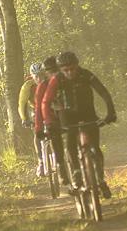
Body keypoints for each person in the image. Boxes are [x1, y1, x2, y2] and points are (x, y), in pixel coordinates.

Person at [42, 51, 116, 197]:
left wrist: (110, 113)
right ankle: (76, 174)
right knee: (70, 143)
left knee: (95, 148)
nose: (70, 73)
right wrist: (50, 122)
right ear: (60, 70)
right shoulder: (56, 79)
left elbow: (104, 92)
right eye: (65, 70)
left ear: (77, 66)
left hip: (88, 114)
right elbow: (45, 102)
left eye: (72, 69)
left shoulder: (86, 74)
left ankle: (100, 180)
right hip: (67, 116)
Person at [33, 56, 69, 186]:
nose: (53, 73)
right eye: (49, 71)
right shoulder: (42, 86)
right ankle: (61, 165)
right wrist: (38, 128)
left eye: (55, 70)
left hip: (68, 116)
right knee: (55, 139)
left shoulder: (67, 79)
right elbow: (38, 109)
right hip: (52, 119)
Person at [18, 62, 47, 176]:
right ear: (32, 76)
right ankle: (41, 161)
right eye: (36, 76)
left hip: (50, 107)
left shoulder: (49, 81)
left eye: (41, 75)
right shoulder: (27, 85)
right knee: (37, 132)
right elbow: (21, 103)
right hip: (35, 109)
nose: (39, 78)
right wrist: (24, 118)